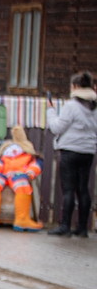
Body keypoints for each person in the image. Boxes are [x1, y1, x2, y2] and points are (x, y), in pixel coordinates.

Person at [46, 71, 97, 236]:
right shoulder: (95, 107)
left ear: (75, 87)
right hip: (88, 152)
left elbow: (56, 128)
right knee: (83, 189)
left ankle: (65, 226)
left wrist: (50, 111)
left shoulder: (71, 106)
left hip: (69, 151)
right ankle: (82, 228)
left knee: (68, 189)